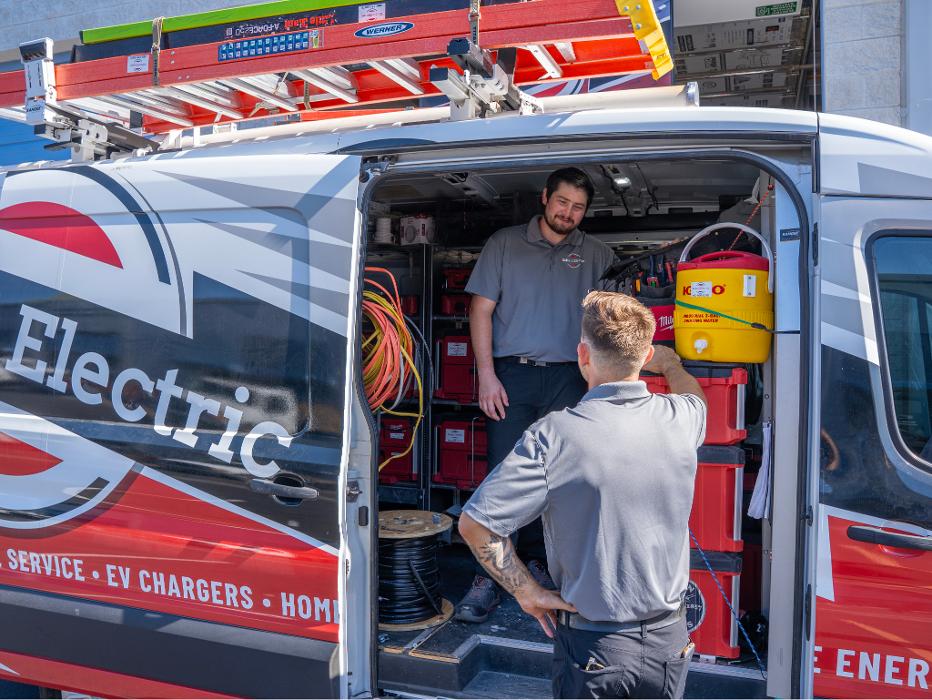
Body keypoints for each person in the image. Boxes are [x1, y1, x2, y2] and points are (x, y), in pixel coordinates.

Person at [458, 291, 707, 699]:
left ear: (582, 355)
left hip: (595, 649)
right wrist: (672, 364)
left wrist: (527, 592)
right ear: (645, 357)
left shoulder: (553, 436)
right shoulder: (682, 418)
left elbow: (476, 524)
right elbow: (693, 394)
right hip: (670, 643)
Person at [456, 167, 617, 622]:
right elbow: (480, 310)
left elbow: (613, 324)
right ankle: (489, 576)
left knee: (561, 478)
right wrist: (486, 375)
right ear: (546, 197)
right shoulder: (504, 244)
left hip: (572, 378)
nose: (569, 213)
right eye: (563, 202)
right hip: (512, 377)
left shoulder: (599, 254)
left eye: (579, 207)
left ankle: (542, 566)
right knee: (503, 476)